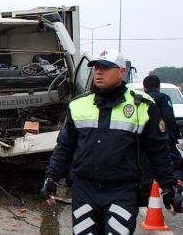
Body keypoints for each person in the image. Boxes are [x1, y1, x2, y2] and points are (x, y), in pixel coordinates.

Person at [41, 50, 183, 234]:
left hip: (122, 191)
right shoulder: (78, 105)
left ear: (122, 71)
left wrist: (168, 188)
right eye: (96, 68)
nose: (99, 72)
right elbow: (64, 147)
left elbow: (159, 152)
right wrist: (51, 178)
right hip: (85, 190)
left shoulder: (143, 106)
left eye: (106, 68)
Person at [143, 75, 183, 189]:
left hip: (143, 139)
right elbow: (169, 119)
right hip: (163, 138)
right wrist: (174, 136)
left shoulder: (141, 99)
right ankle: (176, 189)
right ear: (159, 87)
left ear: (144, 87)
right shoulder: (163, 98)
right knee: (177, 165)